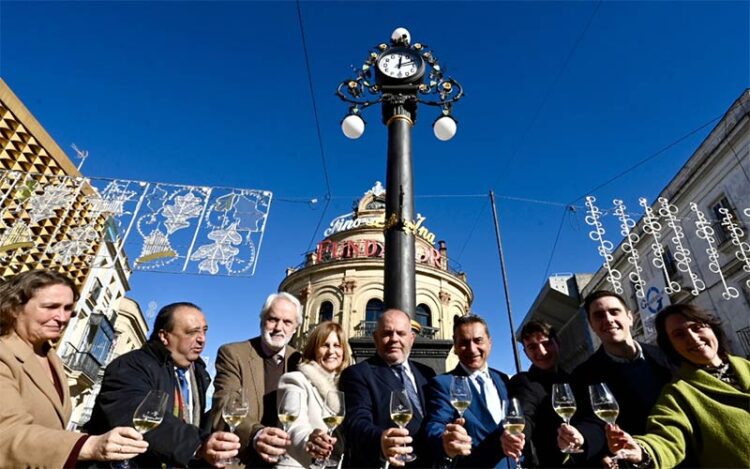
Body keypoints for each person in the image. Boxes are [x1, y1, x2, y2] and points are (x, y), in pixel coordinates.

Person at [0, 269, 148, 467]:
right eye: (50, 307)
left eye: (68, 309)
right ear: (15, 308)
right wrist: (87, 446)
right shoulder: (4, 353)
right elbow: (6, 432)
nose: (62, 318)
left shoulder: (51, 357)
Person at [85, 302, 240, 467]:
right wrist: (198, 444)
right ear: (164, 336)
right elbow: (137, 414)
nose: (202, 338)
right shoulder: (131, 365)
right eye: (192, 332)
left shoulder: (199, 374)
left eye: (204, 330)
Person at [606, 304, 750, 468]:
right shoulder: (677, 394)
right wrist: (642, 451)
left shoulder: (747, 367)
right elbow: (666, 437)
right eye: (679, 335)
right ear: (672, 347)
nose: (693, 338)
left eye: (697, 327)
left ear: (712, 329)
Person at [557, 290, 677, 466]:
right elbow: (593, 423)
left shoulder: (668, 357)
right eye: (598, 316)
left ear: (630, 317)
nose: (608, 319)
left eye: (614, 311)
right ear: (591, 325)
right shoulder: (583, 375)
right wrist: (582, 437)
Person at [211, 292, 303, 466]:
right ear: (262, 321)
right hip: (242, 460)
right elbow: (224, 404)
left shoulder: (300, 361)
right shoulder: (233, 354)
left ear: (296, 328)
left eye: (287, 322)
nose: (278, 327)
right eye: (273, 319)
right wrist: (256, 435)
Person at [340, 309, 436, 467]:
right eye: (387, 333)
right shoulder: (357, 373)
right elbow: (356, 421)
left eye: (401, 333)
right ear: (375, 338)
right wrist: (381, 440)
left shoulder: (427, 373)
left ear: (411, 338)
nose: (394, 339)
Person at [424, 314, 514, 468]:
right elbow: (436, 424)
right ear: (455, 347)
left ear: (489, 343)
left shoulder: (503, 379)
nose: (472, 349)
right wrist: (445, 441)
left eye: (478, 340)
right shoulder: (443, 384)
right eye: (464, 343)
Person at [275, 321, 351, 468]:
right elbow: (293, 425)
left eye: (336, 345)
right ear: (314, 350)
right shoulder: (296, 380)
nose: (331, 351)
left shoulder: (346, 386)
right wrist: (309, 441)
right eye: (324, 345)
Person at [505, 320, 569, 467]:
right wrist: (518, 434)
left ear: (557, 343)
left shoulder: (573, 379)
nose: (542, 352)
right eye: (532, 347)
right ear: (526, 353)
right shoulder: (524, 382)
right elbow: (524, 415)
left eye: (546, 343)